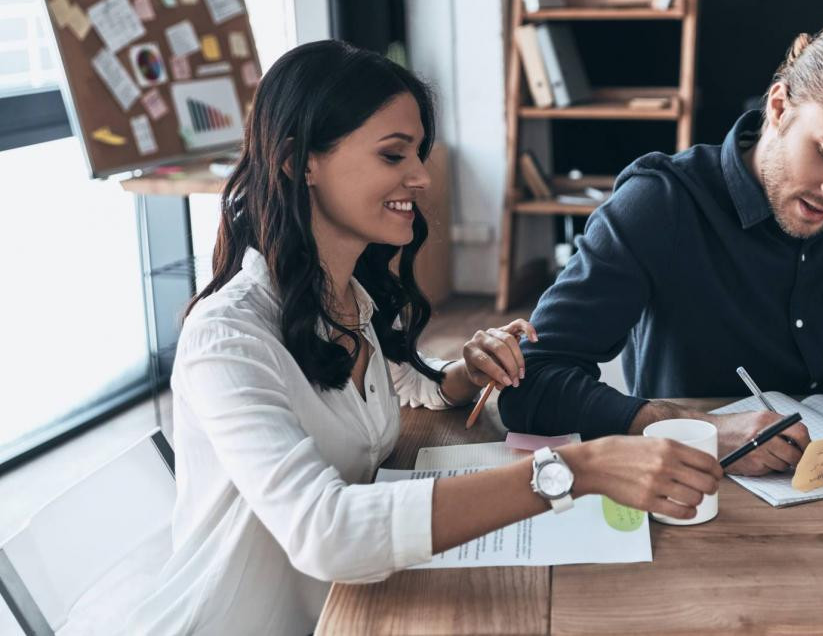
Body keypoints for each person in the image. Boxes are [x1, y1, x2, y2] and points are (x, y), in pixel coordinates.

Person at [128, 41, 721, 635]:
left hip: (348, 608)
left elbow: (402, 385)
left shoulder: (348, 298)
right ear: (298, 162)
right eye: (393, 155)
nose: (421, 177)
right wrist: (573, 468)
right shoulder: (228, 338)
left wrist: (465, 371)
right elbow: (323, 531)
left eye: (419, 153)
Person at [500, 20, 823, 486]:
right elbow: (532, 379)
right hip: (686, 496)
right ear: (779, 107)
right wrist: (696, 430)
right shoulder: (661, 202)